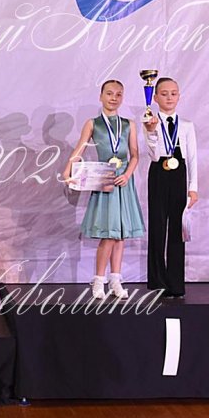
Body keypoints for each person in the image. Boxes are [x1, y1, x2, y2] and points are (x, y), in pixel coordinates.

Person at [62, 80, 145, 299]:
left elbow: (135, 154)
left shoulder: (128, 124)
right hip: (105, 180)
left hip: (123, 182)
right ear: (101, 96)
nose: (113, 98)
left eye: (118, 94)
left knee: (120, 235)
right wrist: (68, 169)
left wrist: (127, 175)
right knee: (108, 234)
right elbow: (79, 149)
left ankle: (115, 279)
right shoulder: (93, 124)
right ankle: (98, 280)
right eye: (109, 93)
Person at [142, 77, 198, 298]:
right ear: (155, 97)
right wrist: (152, 132)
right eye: (164, 94)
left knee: (178, 229)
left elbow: (192, 158)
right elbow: (154, 155)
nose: (169, 98)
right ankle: (158, 282)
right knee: (157, 226)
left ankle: (176, 284)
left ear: (179, 96)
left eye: (173, 93)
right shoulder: (150, 121)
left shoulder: (187, 126)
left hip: (179, 173)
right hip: (159, 172)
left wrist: (193, 187)